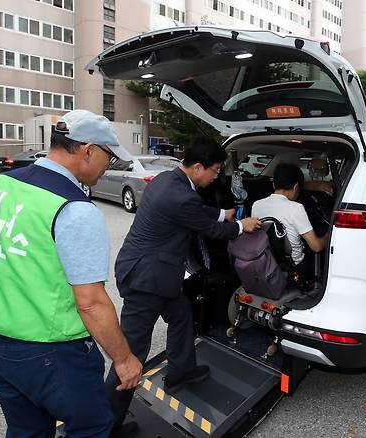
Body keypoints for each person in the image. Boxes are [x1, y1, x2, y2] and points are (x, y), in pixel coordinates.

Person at [0, 109, 142, 438]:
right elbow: (91, 303)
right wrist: (123, 359)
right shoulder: (75, 209)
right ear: (88, 150)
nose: (107, 166)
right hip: (49, 354)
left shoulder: (1, 185)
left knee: (27, 428)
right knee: (92, 427)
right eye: (108, 158)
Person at [105, 136, 261, 432]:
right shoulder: (182, 196)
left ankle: (181, 371)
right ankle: (107, 426)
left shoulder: (168, 179)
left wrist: (222, 211)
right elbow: (212, 229)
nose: (217, 176)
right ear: (199, 167)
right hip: (147, 280)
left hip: (157, 275)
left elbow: (196, 211)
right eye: (215, 171)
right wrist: (241, 225)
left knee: (180, 315)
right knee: (130, 355)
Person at [252, 162, 328, 275]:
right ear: (296, 187)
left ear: (274, 185)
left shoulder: (256, 205)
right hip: (295, 267)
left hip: (268, 262)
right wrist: (329, 234)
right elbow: (316, 247)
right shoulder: (296, 208)